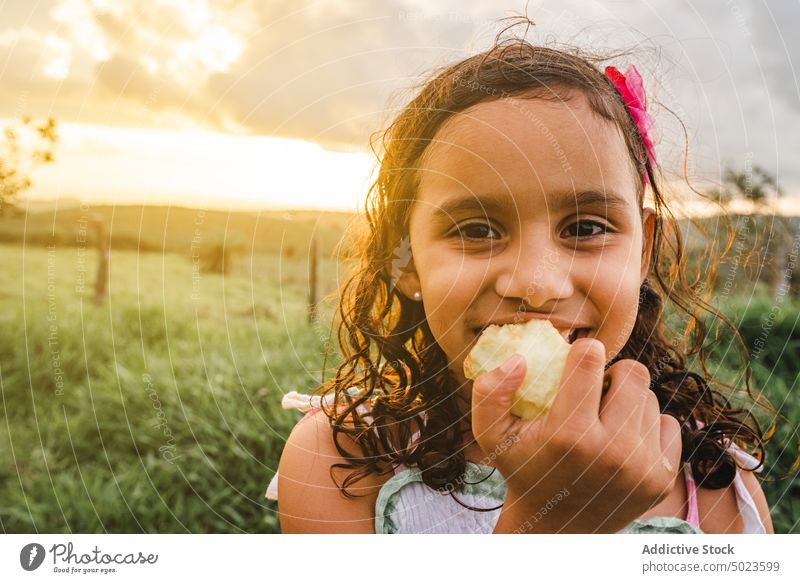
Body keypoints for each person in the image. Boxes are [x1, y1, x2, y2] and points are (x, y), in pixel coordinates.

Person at [270, 23, 774, 534]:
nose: (536, 283)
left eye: (586, 228)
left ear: (642, 251)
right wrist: (551, 521)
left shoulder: (713, 482)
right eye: (475, 229)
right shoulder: (341, 463)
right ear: (407, 261)